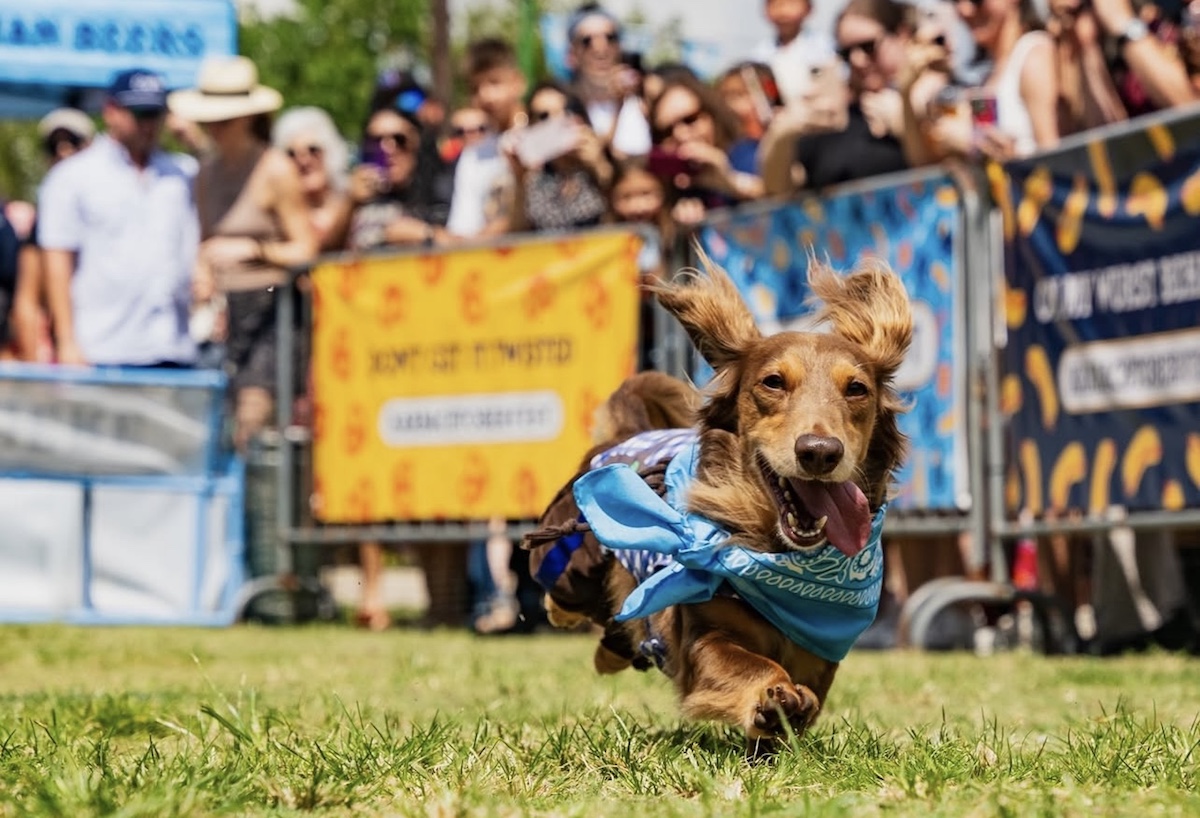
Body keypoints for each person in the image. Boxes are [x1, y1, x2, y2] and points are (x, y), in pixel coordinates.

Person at [167, 56, 319, 450]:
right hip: (222, 313)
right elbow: (204, 242)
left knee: (253, 424)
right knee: (219, 423)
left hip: (272, 310)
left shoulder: (276, 170)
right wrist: (202, 273)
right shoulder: (206, 174)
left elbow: (306, 248)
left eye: (225, 119)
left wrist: (253, 250)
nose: (215, 128)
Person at [39, 70, 198, 369]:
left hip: (172, 346)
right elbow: (57, 262)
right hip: (103, 349)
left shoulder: (183, 173)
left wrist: (196, 140)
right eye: (139, 113)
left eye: (155, 113)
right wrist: (67, 341)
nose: (148, 124)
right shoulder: (74, 176)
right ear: (111, 111)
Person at [446, 38, 529, 239]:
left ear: (518, 82)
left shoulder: (538, 136)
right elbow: (463, 228)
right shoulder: (473, 155)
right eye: (475, 88)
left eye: (494, 82)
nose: (485, 95)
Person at [508, 81, 612, 233]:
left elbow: (621, 218)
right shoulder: (533, 179)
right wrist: (519, 179)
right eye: (543, 116)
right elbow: (518, 232)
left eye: (566, 111)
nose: (554, 121)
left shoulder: (606, 161)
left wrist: (598, 166)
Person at [566, 3, 652, 158]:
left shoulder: (644, 104)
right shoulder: (563, 111)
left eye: (610, 38)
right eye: (587, 41)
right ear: (572, 53)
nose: (600, 48)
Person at [272, 107, 350, 251]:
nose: (304, 160)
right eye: (292, 154)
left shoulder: (352, 202)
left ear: (331, 152)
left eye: (313, 150)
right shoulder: (276, 217)